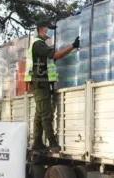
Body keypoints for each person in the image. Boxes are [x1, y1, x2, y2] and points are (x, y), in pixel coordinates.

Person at [24, 20, 80, 153]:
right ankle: (52, 143)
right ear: (41, 29)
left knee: (39, 114)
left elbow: (53, 58)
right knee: (46, 114)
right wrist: (73, 46)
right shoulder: (38, 44)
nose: (50, 31)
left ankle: (37, 142)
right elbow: (55, 55)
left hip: (41, 83)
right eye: (48, 28)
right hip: (40, 83)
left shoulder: (40, 45)